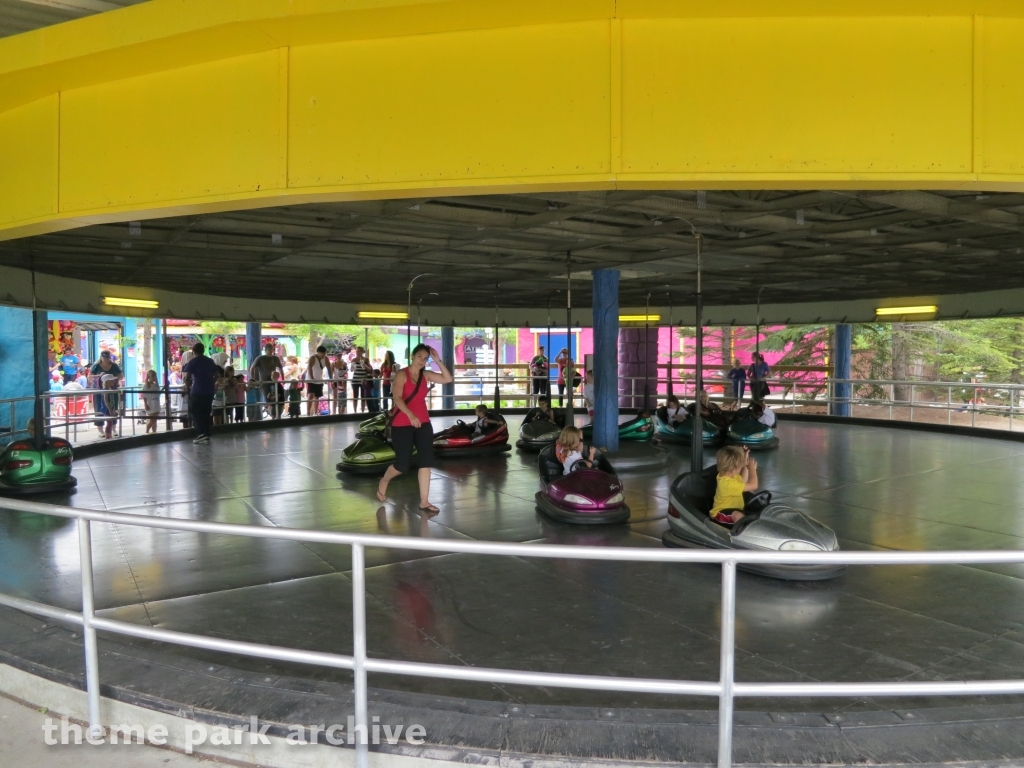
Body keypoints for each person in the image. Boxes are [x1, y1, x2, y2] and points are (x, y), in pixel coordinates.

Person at [376, 344, 454, 512]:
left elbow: (448, 379)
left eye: (425, 358)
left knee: (425, 461)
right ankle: (384, 480)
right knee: (402, 465)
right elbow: (397, 397)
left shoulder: (425, 375)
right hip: (403, 423)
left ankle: (424, 501)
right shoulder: (401, 374)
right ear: (412, 356)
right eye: (419, 357)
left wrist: (438, 360)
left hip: (423, 422)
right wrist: (410, 415)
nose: (422, 361)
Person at [709, 445, 759, 525]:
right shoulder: (727, 484)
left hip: (732, 510)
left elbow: (743, 480)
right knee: (739, 516)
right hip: (720, 514)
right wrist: (752, 469)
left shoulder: (728, 476)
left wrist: (746, 465)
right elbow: (754, 485)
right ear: (737, 468)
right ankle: (739, 535)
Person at [182, 342, 220, 444]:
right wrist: (211, 382)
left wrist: (187, 386)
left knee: (195, 411)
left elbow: (187, 377)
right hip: (209, 391)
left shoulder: (193, 362)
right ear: (203, 350)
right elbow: (216, 375)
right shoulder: (210, 361)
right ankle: (206, 433)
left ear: (194, 351)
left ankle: (201, 433)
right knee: (206, 412)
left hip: (197, 390)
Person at [89, 350, 122, 434]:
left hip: (111, 390)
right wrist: (99, 376)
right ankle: (100, 429)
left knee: (113, 406)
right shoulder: (96, 366)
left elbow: (121, 376)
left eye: (107, 358)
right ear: (101, 357)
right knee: (99, 407)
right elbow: (89, 377)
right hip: (99, 390)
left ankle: (113, 428)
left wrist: (113, 378)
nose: (106, 360)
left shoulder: (114, 366)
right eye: (104, 358)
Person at [248, 343, 283, 420]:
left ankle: (274, 413)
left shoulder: (275, 358)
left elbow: (280, 368)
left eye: (272, 349)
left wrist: (282, 379)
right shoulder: (260, 358)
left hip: (273, 381)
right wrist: (253, 378)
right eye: (270, 349)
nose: (271, 351)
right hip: (264, 382)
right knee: (267, 398)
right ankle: (269, 410)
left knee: (275, 398)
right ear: (266, 350)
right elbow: (252, 368)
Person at [305, 345, 333, 416]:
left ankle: (316, 412)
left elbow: (329, 368)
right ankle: (308, 412)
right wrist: (312, 378)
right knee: (311, 395)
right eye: (323, 353)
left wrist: (331, 378)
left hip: (319, 380)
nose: (324, 355)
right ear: (319, 353)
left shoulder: (326, 358)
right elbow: (309, 368)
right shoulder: (312, 358)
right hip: (311, 380)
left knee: (317, 396)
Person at [97, 374, 120, 439]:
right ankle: (108, 435)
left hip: (110, 408)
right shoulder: (105, 390)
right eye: (112, 380)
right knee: (109, 422)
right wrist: (110, 409)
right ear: (108, 382)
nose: (113, 382)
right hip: (106, 409)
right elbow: (106, 400)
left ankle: (109, 434)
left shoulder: (109, 389)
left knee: (110, 422)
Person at [350, 347, 372, 412]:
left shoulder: (366, 359)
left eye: (359, 351)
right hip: (355, 379)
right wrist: (352, 367)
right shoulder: (354, 360)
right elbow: (351, 370)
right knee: (355, 397)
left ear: (362, 352)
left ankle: (362, 411)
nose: (357, 353)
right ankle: (355, 411)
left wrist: (364, 365)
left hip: (363, 380)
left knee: (363, 396)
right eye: (356, 351)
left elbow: (370, 370)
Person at [141, 369, 161, 434]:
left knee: (155, 421)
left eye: (155, 376)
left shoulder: (156, 385)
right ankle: (147, 431)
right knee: (152, 420)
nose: (154, 378)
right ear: (149, 377)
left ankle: (154, 432)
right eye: (153, 376)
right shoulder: (146, 386)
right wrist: (145, 404)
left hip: (156, 404)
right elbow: (144, 396)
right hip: (150, 404)